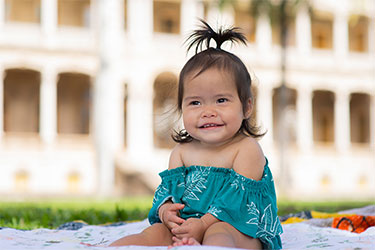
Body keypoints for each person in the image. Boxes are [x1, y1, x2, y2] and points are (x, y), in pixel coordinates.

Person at [110, 20, 283, 250]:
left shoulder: (246, 149)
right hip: (190, 227)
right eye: (195, 102)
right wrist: (166, 211)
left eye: (221, 100)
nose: (207, 112)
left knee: (219, 233)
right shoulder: (181, 152)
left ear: (247, 107)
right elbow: (167, 195)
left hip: (239, 228)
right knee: (154, 233)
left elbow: (236, 203)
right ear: (182, 108)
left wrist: (203, 225)